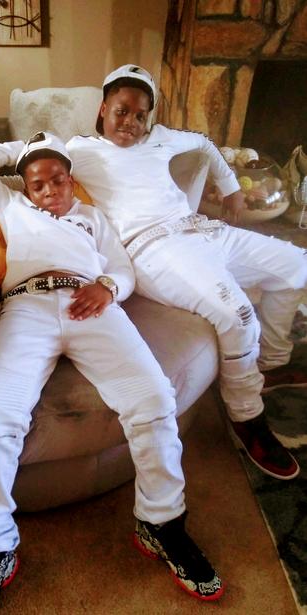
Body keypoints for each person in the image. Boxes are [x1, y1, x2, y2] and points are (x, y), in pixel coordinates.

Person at [0, 132, 226, 613]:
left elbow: (123, 270)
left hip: (92, 305)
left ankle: (160, 522)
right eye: (38, 183)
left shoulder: (93, 218)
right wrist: (27, 149)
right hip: (26, 306)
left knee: (153, 399)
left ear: (71, 179)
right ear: (25, 187)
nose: (50, 190)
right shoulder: (12, 206)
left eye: (58, 179)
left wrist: (107, 288)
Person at [66, 63, 307, 485]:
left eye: (140, 115)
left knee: (296, 267)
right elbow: (23, 160)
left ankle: (267, 365)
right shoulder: (77, 149)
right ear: (103, 108)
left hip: (202, 229)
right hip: (154, 249)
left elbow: (206, 143)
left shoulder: (161, 138)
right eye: (122, 111)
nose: (131, 122)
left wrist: (231, 187)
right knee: (238, 314)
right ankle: (246, 415)